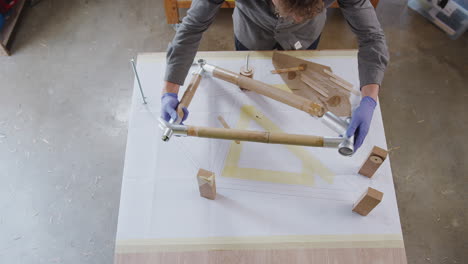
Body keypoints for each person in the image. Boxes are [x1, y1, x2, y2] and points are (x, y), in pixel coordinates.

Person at [161, 0, 389, 151]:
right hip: (252, 34)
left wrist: (369, 99)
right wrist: (170, 91)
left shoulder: (303, 20)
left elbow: (371, 37)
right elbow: (191, 27)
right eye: (289, 12)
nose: (296, 20)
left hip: (305, 39)